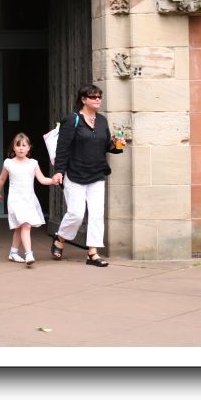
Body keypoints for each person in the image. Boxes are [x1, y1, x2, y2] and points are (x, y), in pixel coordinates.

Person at [50, 84, 125, 267]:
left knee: (97, 214)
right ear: (83, 100)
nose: (98, 100)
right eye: (93, 97)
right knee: (76, 213)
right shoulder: (72, 120)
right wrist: (59, 171)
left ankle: (93, 253)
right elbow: (62, 148)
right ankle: (60, 237)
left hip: (97, 173)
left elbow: (105, 145)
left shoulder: (101, 121)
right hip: (75, 173)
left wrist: (116, 145)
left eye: (99, 96)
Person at [0, 133, 61, 265]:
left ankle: (13, 252)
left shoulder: (33, 163)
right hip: (15, 199)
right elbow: (2, 179)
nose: (21, 148)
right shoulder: (9, 163)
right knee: (26, 225)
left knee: (20, 227)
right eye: (18, 145)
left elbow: (42, 179)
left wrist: (53, 181)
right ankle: (29, 254)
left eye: (24, 145)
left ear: (29, 148)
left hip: (29, 199)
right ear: (13, 147)